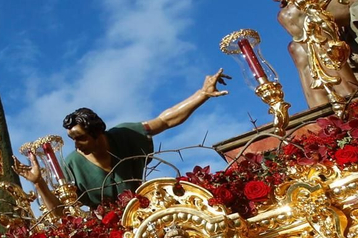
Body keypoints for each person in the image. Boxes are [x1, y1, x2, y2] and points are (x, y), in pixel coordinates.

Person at [18, 72, 229, 209]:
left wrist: (202, 94)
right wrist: (39, 183)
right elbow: (60, 212)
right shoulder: (72, 164)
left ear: (98, 133)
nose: (76, 144)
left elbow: (165, 120)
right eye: (72, 139)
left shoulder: (124, 134)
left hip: (146, 211)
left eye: (80, 138)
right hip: (110, 231)